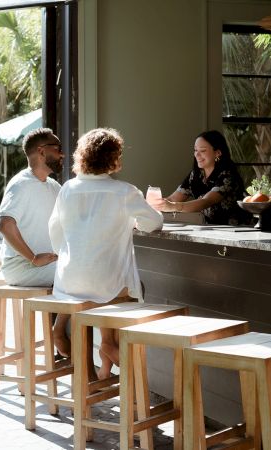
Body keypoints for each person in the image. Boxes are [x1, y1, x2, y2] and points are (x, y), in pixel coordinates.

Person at [48, 128, 163, 378]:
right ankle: (111, 348)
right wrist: (132, 221)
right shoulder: (125, 192)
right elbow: (153, 223)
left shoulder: (67, 188)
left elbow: (55, 233)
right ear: (114, 158)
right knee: (130, 289)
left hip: (69, 282)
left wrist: (75, 252)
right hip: (106, 286)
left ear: (83, 157)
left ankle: (93, 368)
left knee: (105, 283)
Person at [0, 127, 64, 287]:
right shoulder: (21, 184)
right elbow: (4, 224)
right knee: (79, 274)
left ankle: (62, 313)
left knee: (91, 269)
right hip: (22, 268)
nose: (62, 154)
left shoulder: (54, 186)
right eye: (57, 149)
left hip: (49, 264)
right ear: (41, 151)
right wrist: (33, 258)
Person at [151, 130, 250, 225]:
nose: (197, 154)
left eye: (202, 150)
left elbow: (205, 202)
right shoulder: (196, 174)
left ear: (218, 153)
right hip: (212, 230)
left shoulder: (228, 175)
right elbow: (173, 198)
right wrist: (150, 205)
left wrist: (173, 207)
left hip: (238, 231)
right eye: (195, 150)